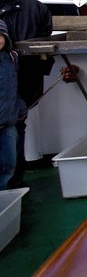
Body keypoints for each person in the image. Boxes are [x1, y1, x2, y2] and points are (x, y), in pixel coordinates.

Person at [0, 0, 53, 188]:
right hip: (9, 82)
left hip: (24, 80)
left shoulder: (34, 7)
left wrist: (41, 69)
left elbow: (45, 37)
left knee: (14, 136)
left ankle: (15, 189)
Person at [0, 19, 26, 190]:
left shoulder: (11, 57)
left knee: (8, 165)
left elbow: (13, 86)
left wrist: (20, 108)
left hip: (8, 122)